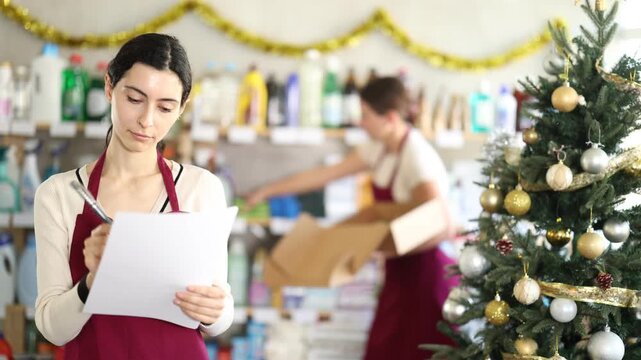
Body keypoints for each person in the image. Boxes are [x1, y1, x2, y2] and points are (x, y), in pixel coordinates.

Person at [33, 33, 233, 359]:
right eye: (135, 99)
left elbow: (220, 318)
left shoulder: (201, 188)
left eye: (166, 107)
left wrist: (215, 310)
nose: (147, 120)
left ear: (182, 108)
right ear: (110, 86)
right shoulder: (60, 194)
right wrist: (95, 280)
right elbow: (53, 329)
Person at [245, 76, 457, 359]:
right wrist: (267, 191)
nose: (360, 122)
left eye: (366, 116)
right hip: (398, 271)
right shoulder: (378, 148)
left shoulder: (416, 157)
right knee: (386, 347)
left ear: (390, 118)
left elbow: (444, 225)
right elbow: (324, 175)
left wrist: (379, 247)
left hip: (425, 274)